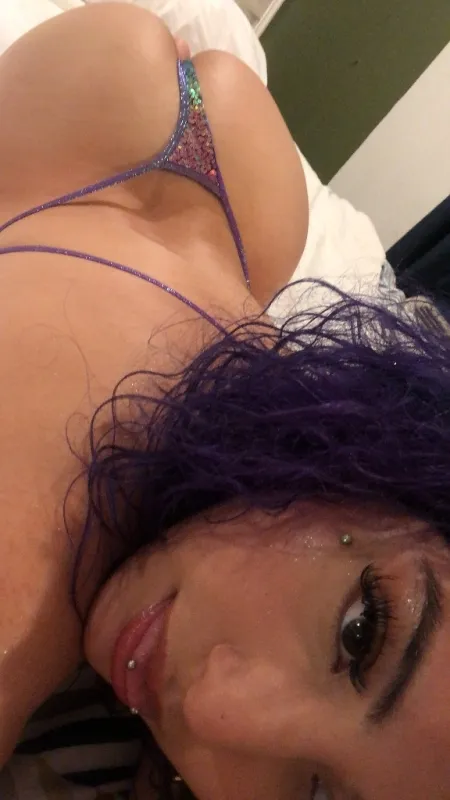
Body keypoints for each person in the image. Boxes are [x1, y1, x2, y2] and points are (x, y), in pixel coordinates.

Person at [1, 4, 450, 800]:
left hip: (219, 185)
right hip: (127, 118)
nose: (215, 711)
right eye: (363, 630)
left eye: (317, 795)